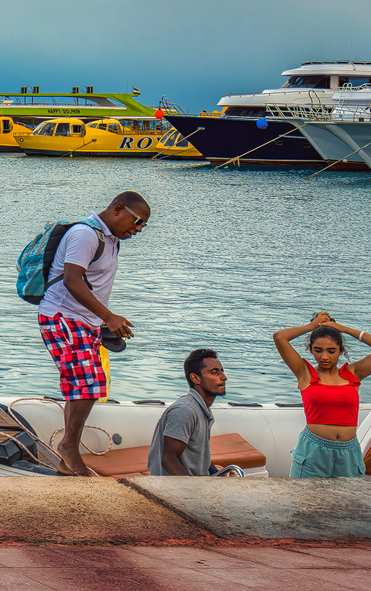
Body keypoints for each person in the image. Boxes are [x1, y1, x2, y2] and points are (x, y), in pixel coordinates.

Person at [35, 191, 150, 475]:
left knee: (83, 384)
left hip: (83, 321)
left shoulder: (109, 240)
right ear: (118, 209)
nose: (136, 230)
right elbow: (72, 280)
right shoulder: (86, 235)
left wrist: (101, 321)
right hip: (61, 316)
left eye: (142, 227)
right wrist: (108, 317)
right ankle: (69, 447)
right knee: (89, 381)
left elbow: (93, 283)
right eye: (136, 222)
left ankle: (68, 453)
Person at [273, 312, 371, 478]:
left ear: (340, 350)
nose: (324, 357)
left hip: (348, 452)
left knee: (348, 503)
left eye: (331, 351)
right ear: (310, 350)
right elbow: (280, 337)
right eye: (318, 350)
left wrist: (343, 329)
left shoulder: (353, 373)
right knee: (306, 502)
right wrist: (311, 326)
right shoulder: (304, 373)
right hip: (313, 450)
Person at [148, 349, 227, 475]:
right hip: (172, 489)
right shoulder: (185, 411)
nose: (224, 377)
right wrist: (194, 490)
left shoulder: (202, 409)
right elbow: (168, 459)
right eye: (214, 372)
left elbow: (199, 454)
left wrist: (214, 473)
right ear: (195, 378)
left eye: (222, 371)